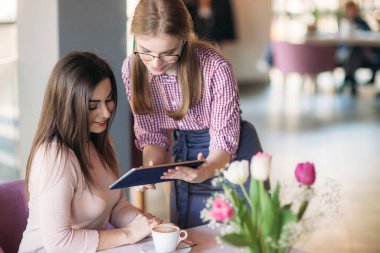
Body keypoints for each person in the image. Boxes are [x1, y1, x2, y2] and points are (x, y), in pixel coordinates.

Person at [122, 0, 263, 229]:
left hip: (232, 156)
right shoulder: (132, 69)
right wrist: (150, 168)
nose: (156, 63)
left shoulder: (215, 69)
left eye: (168, 53)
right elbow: (153, 138)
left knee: (241, 235)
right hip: (185, 153)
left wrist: (206, 170)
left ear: (184, 41)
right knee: (191, 234)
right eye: (146, 52)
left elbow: (222, 146)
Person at [19, 51, 163, 252]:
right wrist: (129, 233)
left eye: (109, 99)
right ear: (68, 106)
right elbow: (59, 243)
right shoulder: (54, 156)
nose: (105, 113)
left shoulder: (95, 140)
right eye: (92, 105)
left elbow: (115, 205)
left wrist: (145, 223)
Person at [338, 1, 380, 95]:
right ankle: (350, 79)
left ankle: (349, 79)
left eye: (353, 10)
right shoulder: (344, 22)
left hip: (363, 53)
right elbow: (341, 40)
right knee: (353, 52)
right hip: (348, 52)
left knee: (355, 51)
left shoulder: (361, 22)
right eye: (349, 10)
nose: (352, 12)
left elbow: (370, 35)